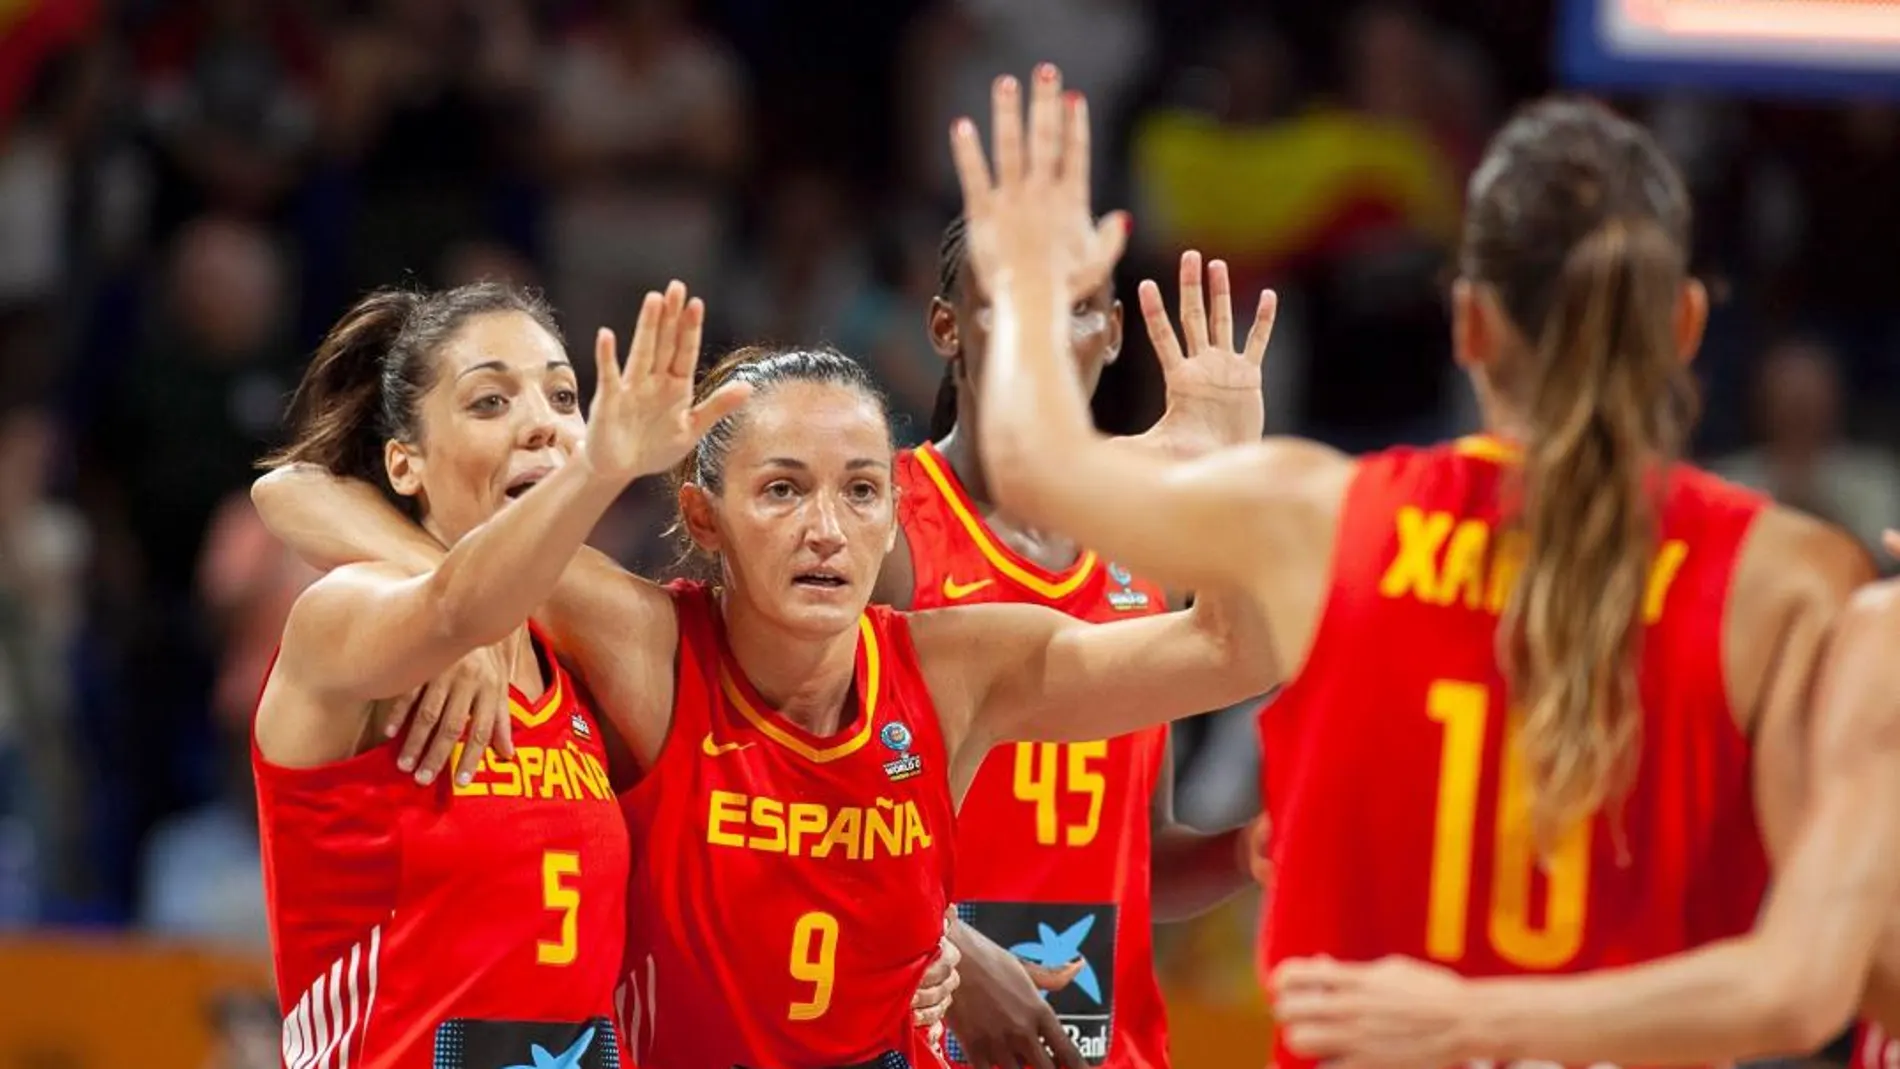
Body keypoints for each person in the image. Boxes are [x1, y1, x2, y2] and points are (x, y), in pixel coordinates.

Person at [953, 66, 1900, 1068]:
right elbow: (1820, 981)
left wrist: (1021, 283)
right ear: (1686, 326)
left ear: (1467, 323)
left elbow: (1034, 462)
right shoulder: (1788, 578)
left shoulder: (1317, 516)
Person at [252, 343, 1277, 1069]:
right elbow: (300, 488)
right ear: (705, 514)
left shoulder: (959, 665)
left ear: (893, 516)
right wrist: (450, 603)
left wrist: (1230, 481)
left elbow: (1236, 651)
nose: (825, 528)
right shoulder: (649, 644)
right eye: (781, 489)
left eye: (862, 490)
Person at [251, 280, 749, 1068]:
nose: (541, 425)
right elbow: (448, 607)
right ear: (403, 464)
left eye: (561, 394)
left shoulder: (577, 666)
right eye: (489, 402)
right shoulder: (342, 616)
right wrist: (596, 469)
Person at [894, 216, 1265, 1069]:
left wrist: (1249, 849)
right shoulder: (884, 532)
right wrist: (950, 945)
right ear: (947, 327)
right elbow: (819, 828)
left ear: (1114, 333)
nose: (1047, 335)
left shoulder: (1147, 545)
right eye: (1011, 306)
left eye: (1079, 307)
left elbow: (1144, 862)